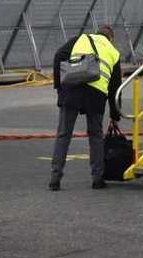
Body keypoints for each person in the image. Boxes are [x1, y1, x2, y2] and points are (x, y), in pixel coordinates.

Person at [49, 25, 121, 191]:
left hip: (71, 90)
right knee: (95, 136)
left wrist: (59, 86)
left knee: (63, 135)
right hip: (96, 96)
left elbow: (59, 55)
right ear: (111, 39)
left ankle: (55, 179)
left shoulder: (81, 39)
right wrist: (115, 116)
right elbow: (115, 89)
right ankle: (97, 179)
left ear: (96, 33)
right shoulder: (113, 52)